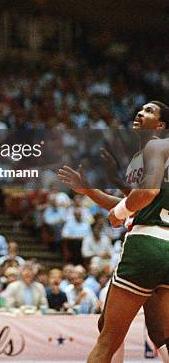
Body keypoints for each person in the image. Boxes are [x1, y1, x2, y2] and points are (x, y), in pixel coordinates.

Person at [59, 101, 169, 363]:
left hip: (147, 244)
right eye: (141, 109)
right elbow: (139, 203)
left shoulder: (157, 145)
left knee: (107, 336)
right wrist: (89, 191)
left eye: (150, 111)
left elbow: (143, 197)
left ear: (162, 125)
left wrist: (118, 213)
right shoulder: (147, 154)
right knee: (160, 333)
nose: (141, 113)